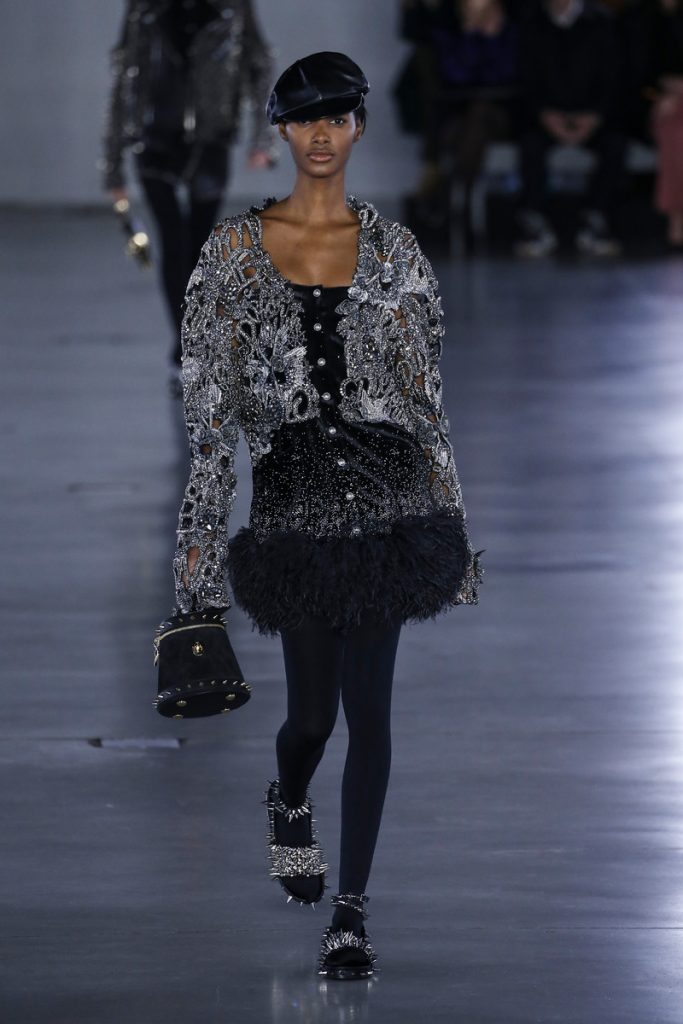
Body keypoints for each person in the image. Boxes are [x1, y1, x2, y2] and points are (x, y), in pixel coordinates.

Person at [169, 51, 485, 979]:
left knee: (369, 715)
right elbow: (208, 431)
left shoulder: (398, 253)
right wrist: (195, 584)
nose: (320, 134)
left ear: (357, 128)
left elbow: (426, 404)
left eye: (336, 117)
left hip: (388, 507)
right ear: (280, 130)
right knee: (310, 719)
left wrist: (453, 533)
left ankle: (350, 915)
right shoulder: (230, 256)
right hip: (292, 512)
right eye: (304, 118)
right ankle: (288, 796)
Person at [100, 0, 277, 394]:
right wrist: (112, 163)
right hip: (154, 139)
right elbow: (125, 74)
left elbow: (259, 63)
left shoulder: (234, 6)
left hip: (210, 140)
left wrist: (262, 137)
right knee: (173, 240)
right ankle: (185, 350)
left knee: (199, 247)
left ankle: (191, 347)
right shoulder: (144, 6)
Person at [515, 0, 627, 257]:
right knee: (530, 145)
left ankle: (596, 219)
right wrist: (546, 115)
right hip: (546, 115)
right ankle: (536, 223)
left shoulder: (602, 23)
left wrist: (594, 116)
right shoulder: (531, 23)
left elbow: (615, 76)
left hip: (593, 115)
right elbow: (525, 78)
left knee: (615, 144)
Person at [643, 0, 683, 248]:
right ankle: (677, 216)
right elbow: (634, 73)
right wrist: (659, 94)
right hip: (654, 101)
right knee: (675, 131)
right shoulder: (640, 19)